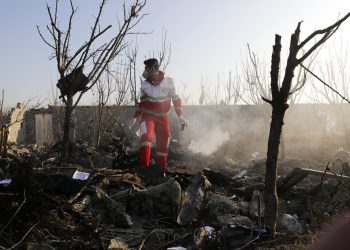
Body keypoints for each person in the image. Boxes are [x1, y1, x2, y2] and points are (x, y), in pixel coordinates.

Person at [133, 58, 188, 177]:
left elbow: (176, 99)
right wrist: (136, 116)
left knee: (164, 141)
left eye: (146, 68)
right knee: (146, 137)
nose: (145, 71)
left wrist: (180, 116)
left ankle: (160, 171)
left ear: (153, 68)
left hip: (163, 117)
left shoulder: (169, 82)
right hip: (148, 117)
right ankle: (143, 170)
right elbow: (141, 103)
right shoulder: (145, 84)